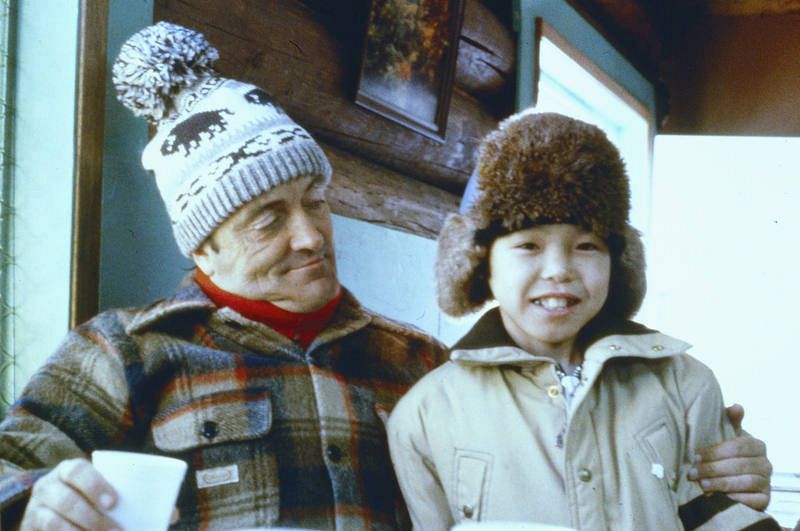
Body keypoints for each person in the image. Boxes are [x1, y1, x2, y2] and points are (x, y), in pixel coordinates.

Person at [0, 22, 771, 531]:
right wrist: (39, 505)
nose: (310, 236)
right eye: (269, 218)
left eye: (316, 202)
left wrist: (711, 463)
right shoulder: (123, 353)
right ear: (205, 249)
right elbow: (10, 470)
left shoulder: (421, 363)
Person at [387, 111, 780, 530]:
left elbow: (728, 517)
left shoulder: (685, 385)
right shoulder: (425, 416)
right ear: (480, 263)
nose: (559, 269)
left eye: (587, 245)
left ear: (618, 262)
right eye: (529, 245)